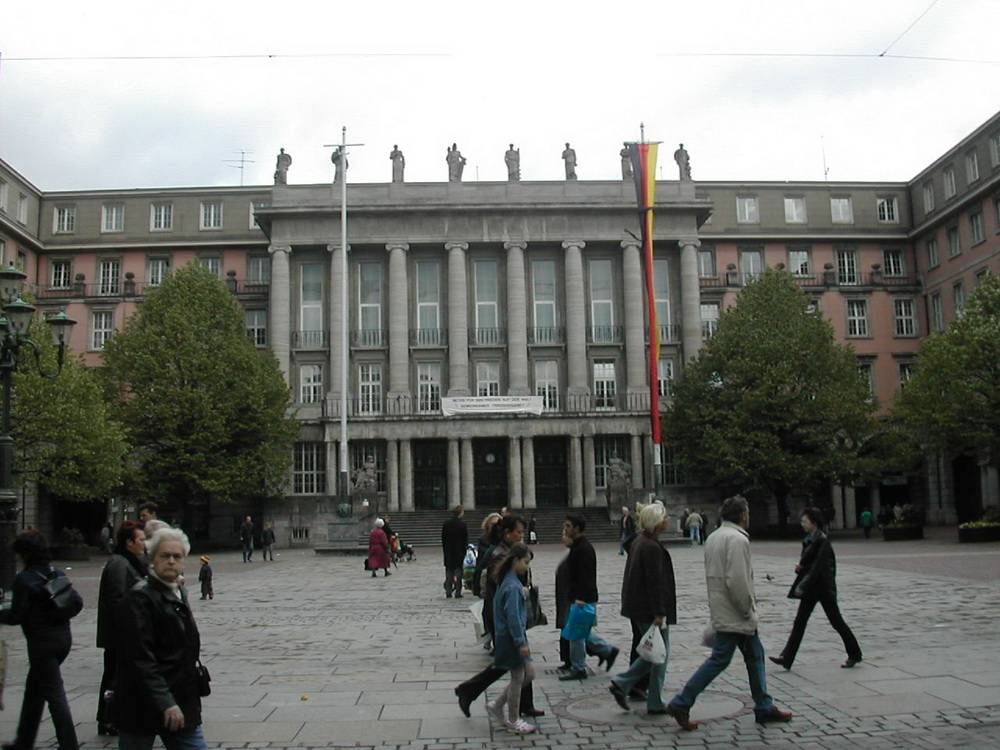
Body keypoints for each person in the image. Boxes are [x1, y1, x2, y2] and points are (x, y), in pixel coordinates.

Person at [665, 496, 792, 730]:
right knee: (720, 659)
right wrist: (747, 609)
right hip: (736, 611)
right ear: (743, 515)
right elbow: (738, 580)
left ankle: (764, 705)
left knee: (755, 655)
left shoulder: (714, 537)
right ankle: (682, 701)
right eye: (748, 512)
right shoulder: (737, 540)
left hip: (721, 606)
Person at [114, 527, 208, 750]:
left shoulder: (178, 592)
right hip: (142, 703)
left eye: (177, 556)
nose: (172, 561)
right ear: (152, 559)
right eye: (165, 556)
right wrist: (165, 702)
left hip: (180, 698)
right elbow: (140, 658)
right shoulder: (139, 597)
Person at [0, 529, 83, 750]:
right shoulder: (56, 573)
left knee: (55, 696)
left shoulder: (24, 580)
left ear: (25, 554)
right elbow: (75, 602)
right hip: (63, 639)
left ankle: (69, 745)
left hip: (41, 645)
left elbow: (16, 615)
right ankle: (24, 741)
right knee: (34, 690)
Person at [455, 515, 542, 719]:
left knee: (512, 662)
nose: (521, 536)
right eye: (518, 532)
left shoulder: (510, 553)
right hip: (502, 617)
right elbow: (498, 591)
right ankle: (470, 691)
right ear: (507, 533)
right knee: (513, 661)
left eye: (522, 532)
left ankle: (523, 704)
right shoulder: (500, 555)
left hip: (509, 616)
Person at [770, 507, 862, 671]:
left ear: (813, 523)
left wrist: (802, 584)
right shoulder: (811, 538)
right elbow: (810, 564)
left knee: (836, 621)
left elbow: (819, 568)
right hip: (812, 588)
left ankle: (854, 654)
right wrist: (801, 568)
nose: (802, 524)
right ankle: (787, 657)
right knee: (799, 622)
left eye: (805, 521)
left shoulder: (822, 540)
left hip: (823, 589)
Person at [608, 502, 675, 716]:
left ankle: (622, 683)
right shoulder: (651, 547)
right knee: (659, 655)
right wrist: (659, 612)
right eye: (665, 518)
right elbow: (655, 583)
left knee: (651, 653)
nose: (668, 521)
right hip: (648, 609)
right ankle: (654, 701)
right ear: (658, 524)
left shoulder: (640, 541)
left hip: (636, 606)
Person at [96, 520, 148, 736]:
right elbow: (118, 600)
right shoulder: (119, 564)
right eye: (141, 540)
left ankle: (114, 716)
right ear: (129, 542)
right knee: (113, 676)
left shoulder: (129, 561)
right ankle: (107, 718)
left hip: (125, 632)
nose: (144, 544)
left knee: (118, 675)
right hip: (119, 634)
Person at [560, 514, 618, 681]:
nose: (565, 530)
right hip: (579, 596)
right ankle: (607, 651)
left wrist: (581, 598)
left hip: (582, 597)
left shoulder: (583, 549)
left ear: (577, 529)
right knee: (580, 630)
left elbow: (585, 577)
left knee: (576, 634)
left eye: (568, 526)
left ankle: (579, 668)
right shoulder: (577, 547)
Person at [486, 543, 537, 734]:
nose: (527, 566)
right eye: (525, 562)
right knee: (518, 677)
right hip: (511, 637)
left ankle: (497, 705)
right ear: (515, 560)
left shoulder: (509, 581)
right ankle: (514, 720)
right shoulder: (512, 586)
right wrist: (520, 642)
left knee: (528, 674)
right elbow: (513, 618)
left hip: (511, 636)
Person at [441, 506, 469, 598]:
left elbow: (443, 538)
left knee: (449, 573)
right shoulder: (462, 524)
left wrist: (445, 550)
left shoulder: (446, 523)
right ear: (460, 513)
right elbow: (465, 540)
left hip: (448, 552)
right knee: (459, 573)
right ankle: (458, 592)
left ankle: (448, 592)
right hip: (459, 552)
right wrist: (464, 551)